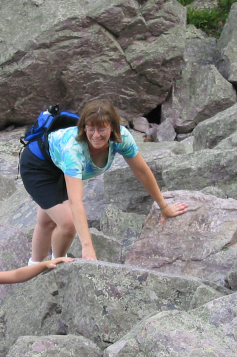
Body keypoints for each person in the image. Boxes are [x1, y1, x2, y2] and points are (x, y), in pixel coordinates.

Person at [18, 98, 189, 262]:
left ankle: (36, 269)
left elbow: (142, 171)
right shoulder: (74, 149)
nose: (96, 135)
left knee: (47, 221)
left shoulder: (122, 138)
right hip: (38, 165)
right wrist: (87, 246)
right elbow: (76, 201)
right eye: (90, 128)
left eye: (102, 129)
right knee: (67, 225)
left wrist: (163, 206)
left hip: (57, 159)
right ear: (83, 127)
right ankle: (52, 267)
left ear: (113, 128)